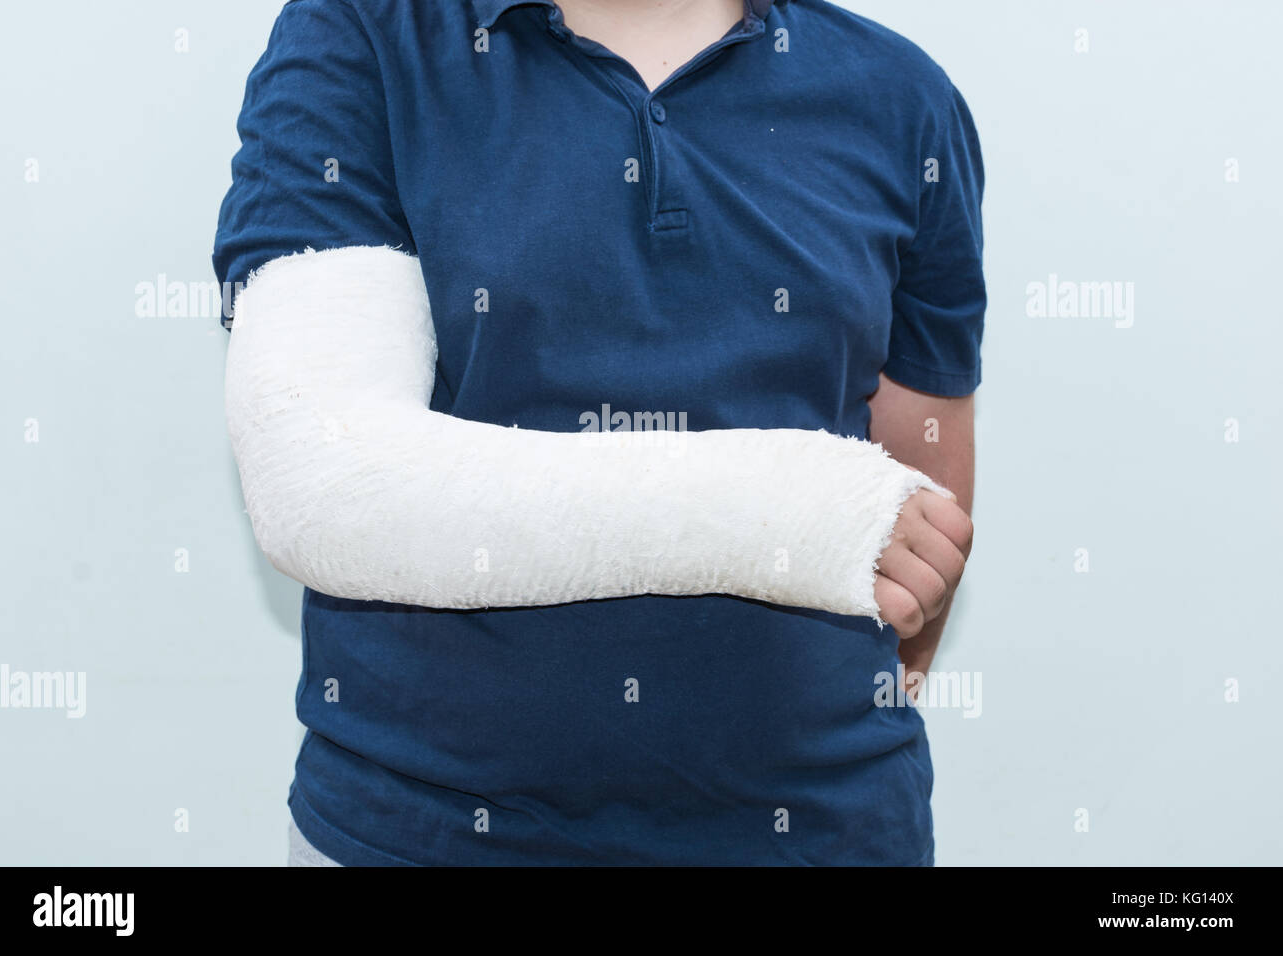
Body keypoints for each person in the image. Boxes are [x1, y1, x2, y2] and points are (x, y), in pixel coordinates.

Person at [213, 0, 983, 866]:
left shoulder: (901, 94)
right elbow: (325, 477)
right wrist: (800, 513)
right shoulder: (362, 35)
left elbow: (920, 534)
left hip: (822, 831)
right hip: (423, 832)